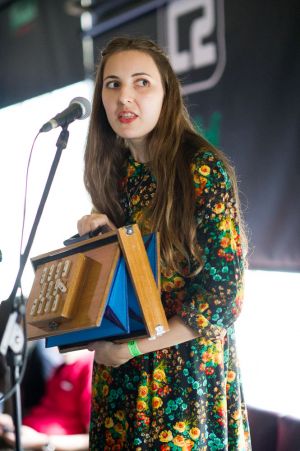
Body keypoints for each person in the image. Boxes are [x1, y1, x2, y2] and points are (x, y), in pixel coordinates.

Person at [77, 36, 251, 450]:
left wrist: (135, 347)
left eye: (142, 83)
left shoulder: (202, 169)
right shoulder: (115, 174)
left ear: (166, 93)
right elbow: (131, 283)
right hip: (122, 377)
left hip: (184, 382)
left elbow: (224, 298)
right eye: (112, 84)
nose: (125, 97)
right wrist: (100, 242)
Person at [0, 349, 93, 450]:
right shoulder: (62, 367)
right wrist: (13, 425)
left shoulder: (89, 366)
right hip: (25, 437)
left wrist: (42, 442)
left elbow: (92, 440)